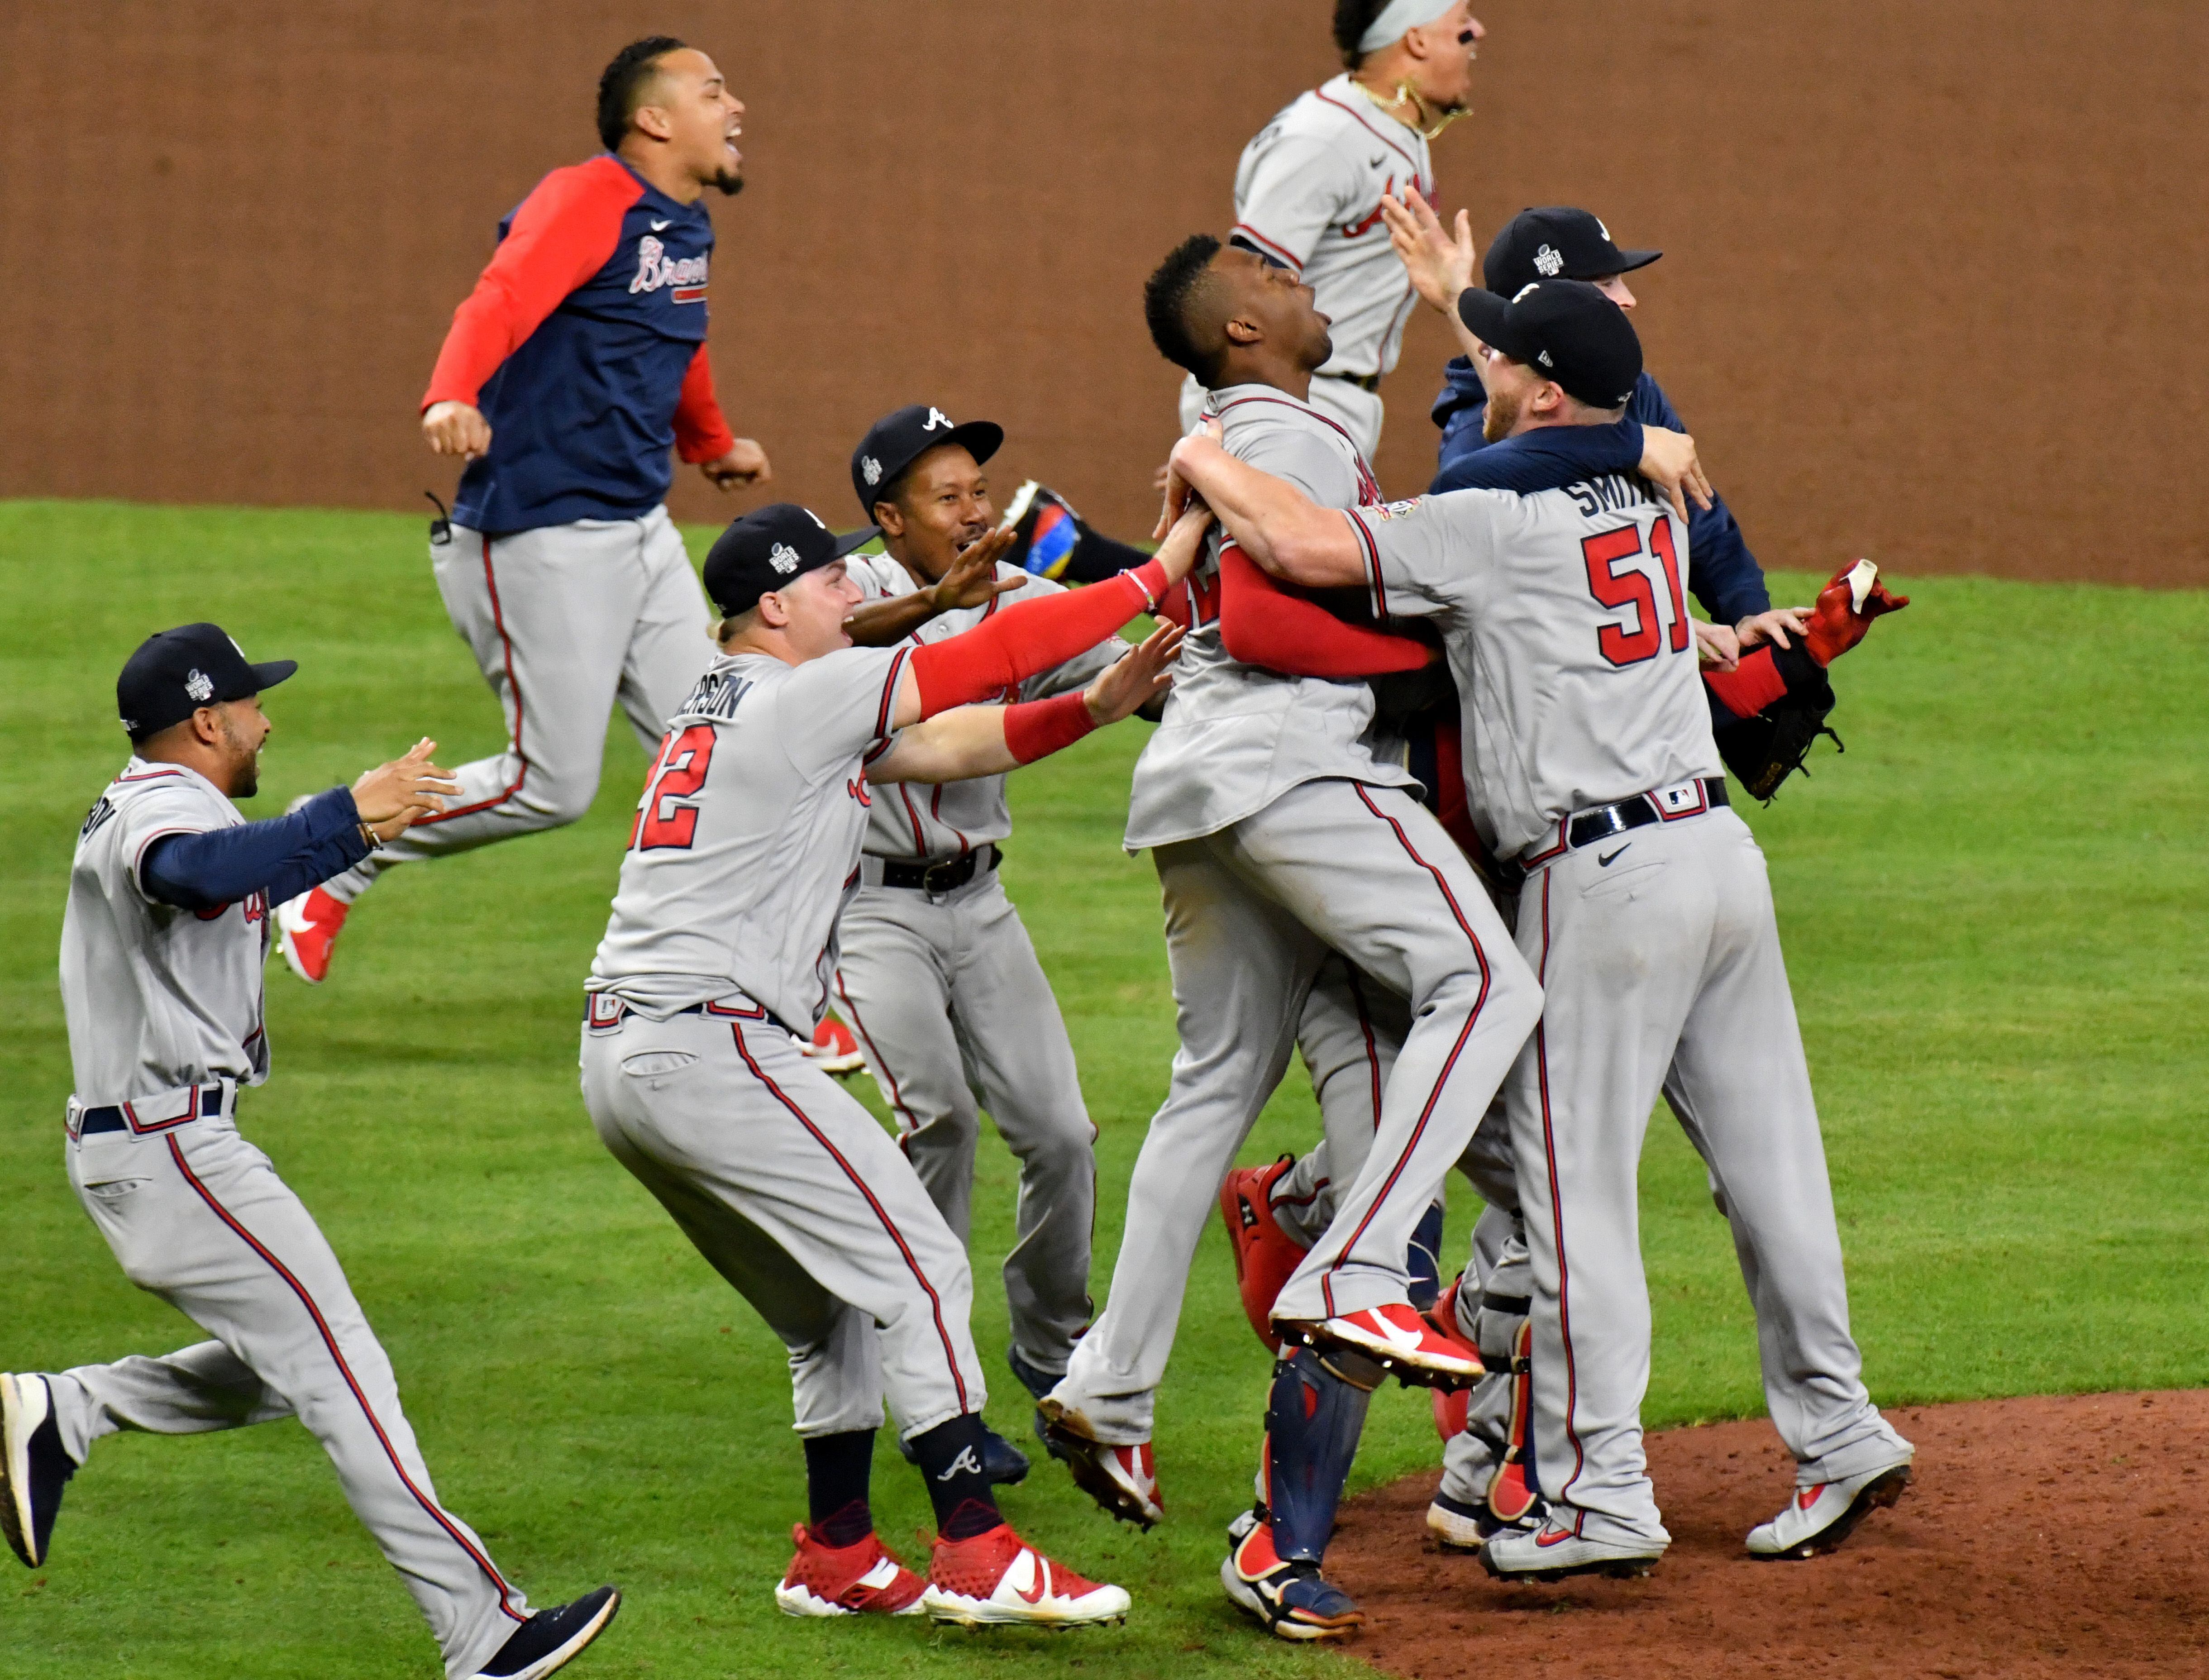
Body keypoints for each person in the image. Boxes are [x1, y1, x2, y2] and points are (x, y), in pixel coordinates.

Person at [1167, 276, 1914, 1584]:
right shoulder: (1649, 497)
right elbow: (1565, 458)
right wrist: (1633, 439)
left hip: (1604, 878)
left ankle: (1594, 1489)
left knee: (1573, 1204)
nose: (1483, 370)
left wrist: (1201, 457)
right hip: (1719, 862)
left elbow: (1299, 546)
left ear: (1548, 390)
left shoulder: (1490, 515)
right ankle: (1840, 1429)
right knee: (1775, 1173)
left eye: (1501, 357)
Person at [1043, 231, 1567, 1642]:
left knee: (1213, 1085)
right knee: (1485, 983)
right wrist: (1442, 657)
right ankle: (1355, 1266)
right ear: (1239, 330)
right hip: (1294, 771)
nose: (1300, 282)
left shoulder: (1238, 434)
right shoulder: (1287, 430)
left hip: (1198, 788)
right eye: (1272, 278)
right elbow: (1275, 620)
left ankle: (1110, 1381)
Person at [580, 500, 1206, 1627]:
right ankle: (976, 1544)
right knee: (921, 1262)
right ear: (775, 607)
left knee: (830, 1307)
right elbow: (992, 655)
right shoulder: (803, 695)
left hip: (624, 1063)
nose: (855, 593)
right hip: (714, 1045)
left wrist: (1094, 705)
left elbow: (948, 747)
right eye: (832, 580)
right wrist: (1154, 570)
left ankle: (837, 1551)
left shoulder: (730, 697)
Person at [5, 624, 619, 1680]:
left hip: (153, 1147)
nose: (266, 719)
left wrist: (352, 832)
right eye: (251, 704)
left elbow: (241, 869)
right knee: (346, 1374)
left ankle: (68, 1408)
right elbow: (193, 873)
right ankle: (483, 1632)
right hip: (173, 1151)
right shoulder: (158, 809)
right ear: (207, 720)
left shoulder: (167, 797)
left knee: (289, 1367)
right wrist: (344, 813)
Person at [277, 37, 770, 984]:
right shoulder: (586, 199)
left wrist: (710, 444)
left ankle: (759, 980)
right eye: (713, 92)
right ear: (654, 119)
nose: (735, 106)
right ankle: (334, 846)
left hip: (640, 530)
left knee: (723, 755)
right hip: (537, 533)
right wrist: (450, 394)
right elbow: (500, 298)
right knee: (551, 784)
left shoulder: (684, 225)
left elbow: (678, 339)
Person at [825, 405, 1136, 1480]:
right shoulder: (847, 595)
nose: (972, 513)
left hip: (980, 902)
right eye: (945, 497)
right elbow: (813, 651)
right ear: (888, 519)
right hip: (867, 910)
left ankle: (1052, 1356)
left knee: (1060, 1134)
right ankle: (937, 1389)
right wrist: (932, 608)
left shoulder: (1018, 596)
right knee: (941, 1122)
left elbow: (1136, 669)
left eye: (978, 492)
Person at [1177, 0, 1488, 462]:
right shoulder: (1325, 139)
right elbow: (1240, 289)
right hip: (1289, 400)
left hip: (1321, 401)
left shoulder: (1386, 124)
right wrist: (1230, 429)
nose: (1477, 31)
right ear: (1417, 39)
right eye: (1461, 23)